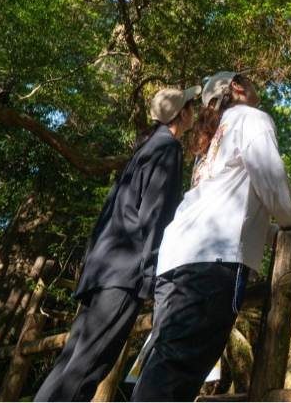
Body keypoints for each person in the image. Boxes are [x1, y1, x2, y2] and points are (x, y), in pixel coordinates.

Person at [131, 70, 291, 401]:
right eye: (248, 80)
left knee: (164, 361)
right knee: (176, 373)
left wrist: (271, 234)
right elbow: (270, 177)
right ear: (237, 87)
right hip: (213, 264)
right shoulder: (250, 118)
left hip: (175, 260)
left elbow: (235, 205)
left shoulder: (210, 141)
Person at [34, 86, 196, 402]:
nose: (196, 111)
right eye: (192, 105)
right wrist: (150, 278)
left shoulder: (143, 151)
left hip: (101, 270)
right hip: (125, 275)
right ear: (183, 113)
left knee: (68, 364)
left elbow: (110, 215)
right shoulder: (168, 150)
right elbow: (154, 217)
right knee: (86, 370)